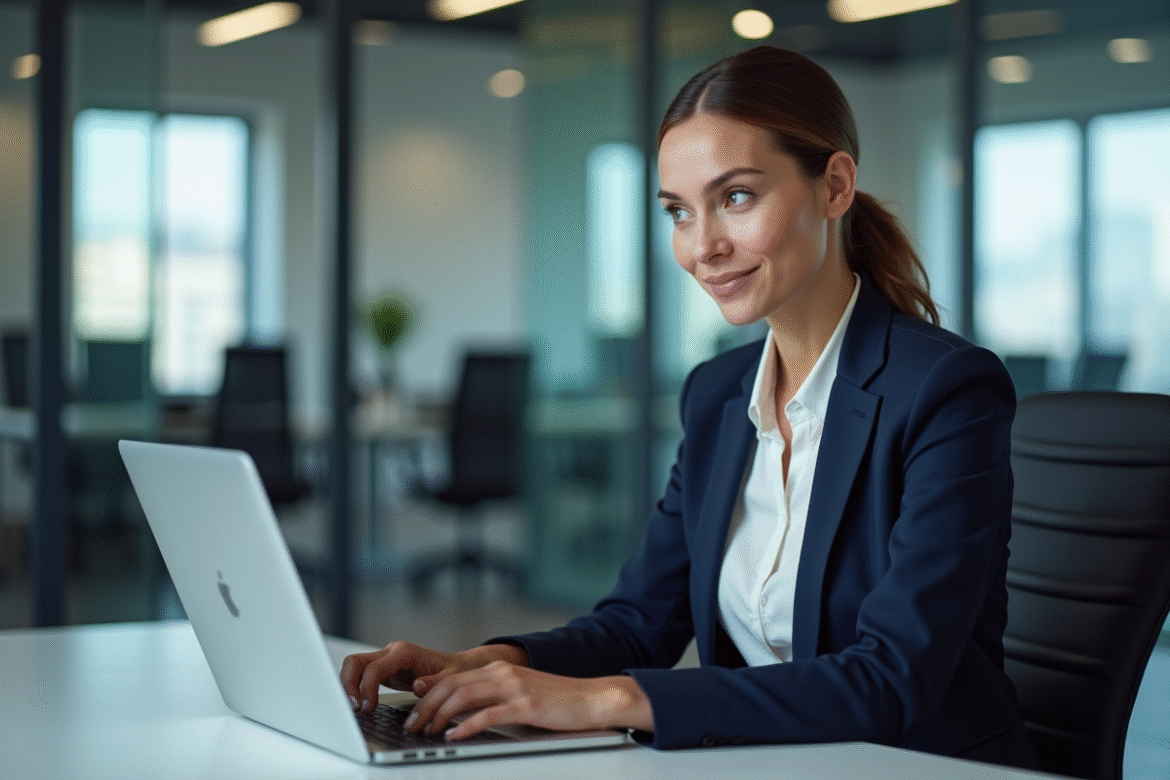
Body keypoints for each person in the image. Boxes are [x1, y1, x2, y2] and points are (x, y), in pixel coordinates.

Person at [341, 46, 1040, 770]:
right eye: (679, 211)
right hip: (766, 761)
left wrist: (611, 701)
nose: (702, 246)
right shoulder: (718, 395)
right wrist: (481, 664)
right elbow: (639, 624)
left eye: (736, 197)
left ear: (834, 187)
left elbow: (893, 677)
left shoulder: (946, 390)